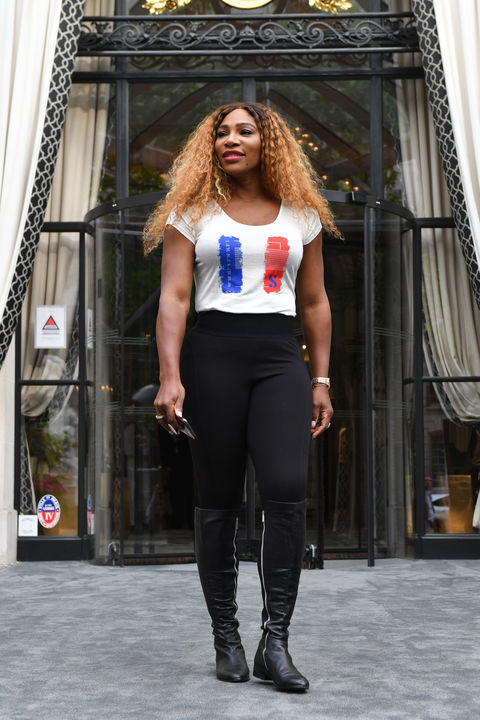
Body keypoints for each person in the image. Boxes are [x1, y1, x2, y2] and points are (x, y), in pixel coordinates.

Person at [144, 102, 339, 693]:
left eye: (244, 131)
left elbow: (315, 302)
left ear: (267, 143)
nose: (231, 140)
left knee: (286, 489)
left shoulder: (302, 215)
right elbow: (175, 297)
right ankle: (225, 636)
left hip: (278, 358)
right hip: (213, 357)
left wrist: (321, 379)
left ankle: (275, 643)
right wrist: (170, 376)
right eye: (222, 132)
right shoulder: (190, 212)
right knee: (218, 500)